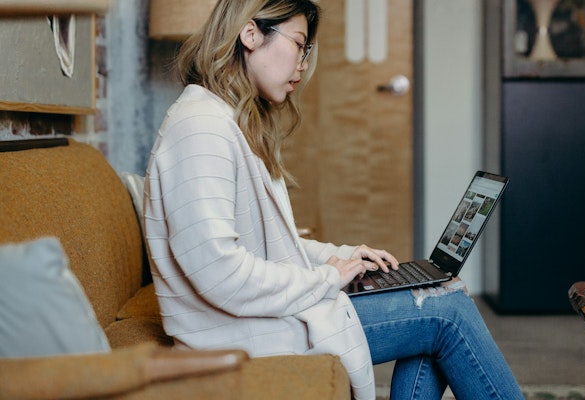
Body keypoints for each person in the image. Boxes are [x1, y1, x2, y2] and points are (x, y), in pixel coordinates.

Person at [143, 1, 524, 399]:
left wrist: (336, 256)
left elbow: (262, 246)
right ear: (251, 34)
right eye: (299, 44)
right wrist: (327, 279)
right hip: (242, 334)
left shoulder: (224, 122)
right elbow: (220, 272)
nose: (303, 65)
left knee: (440, 292)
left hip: (261, 318)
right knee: (447, 312)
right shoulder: (200, 129)